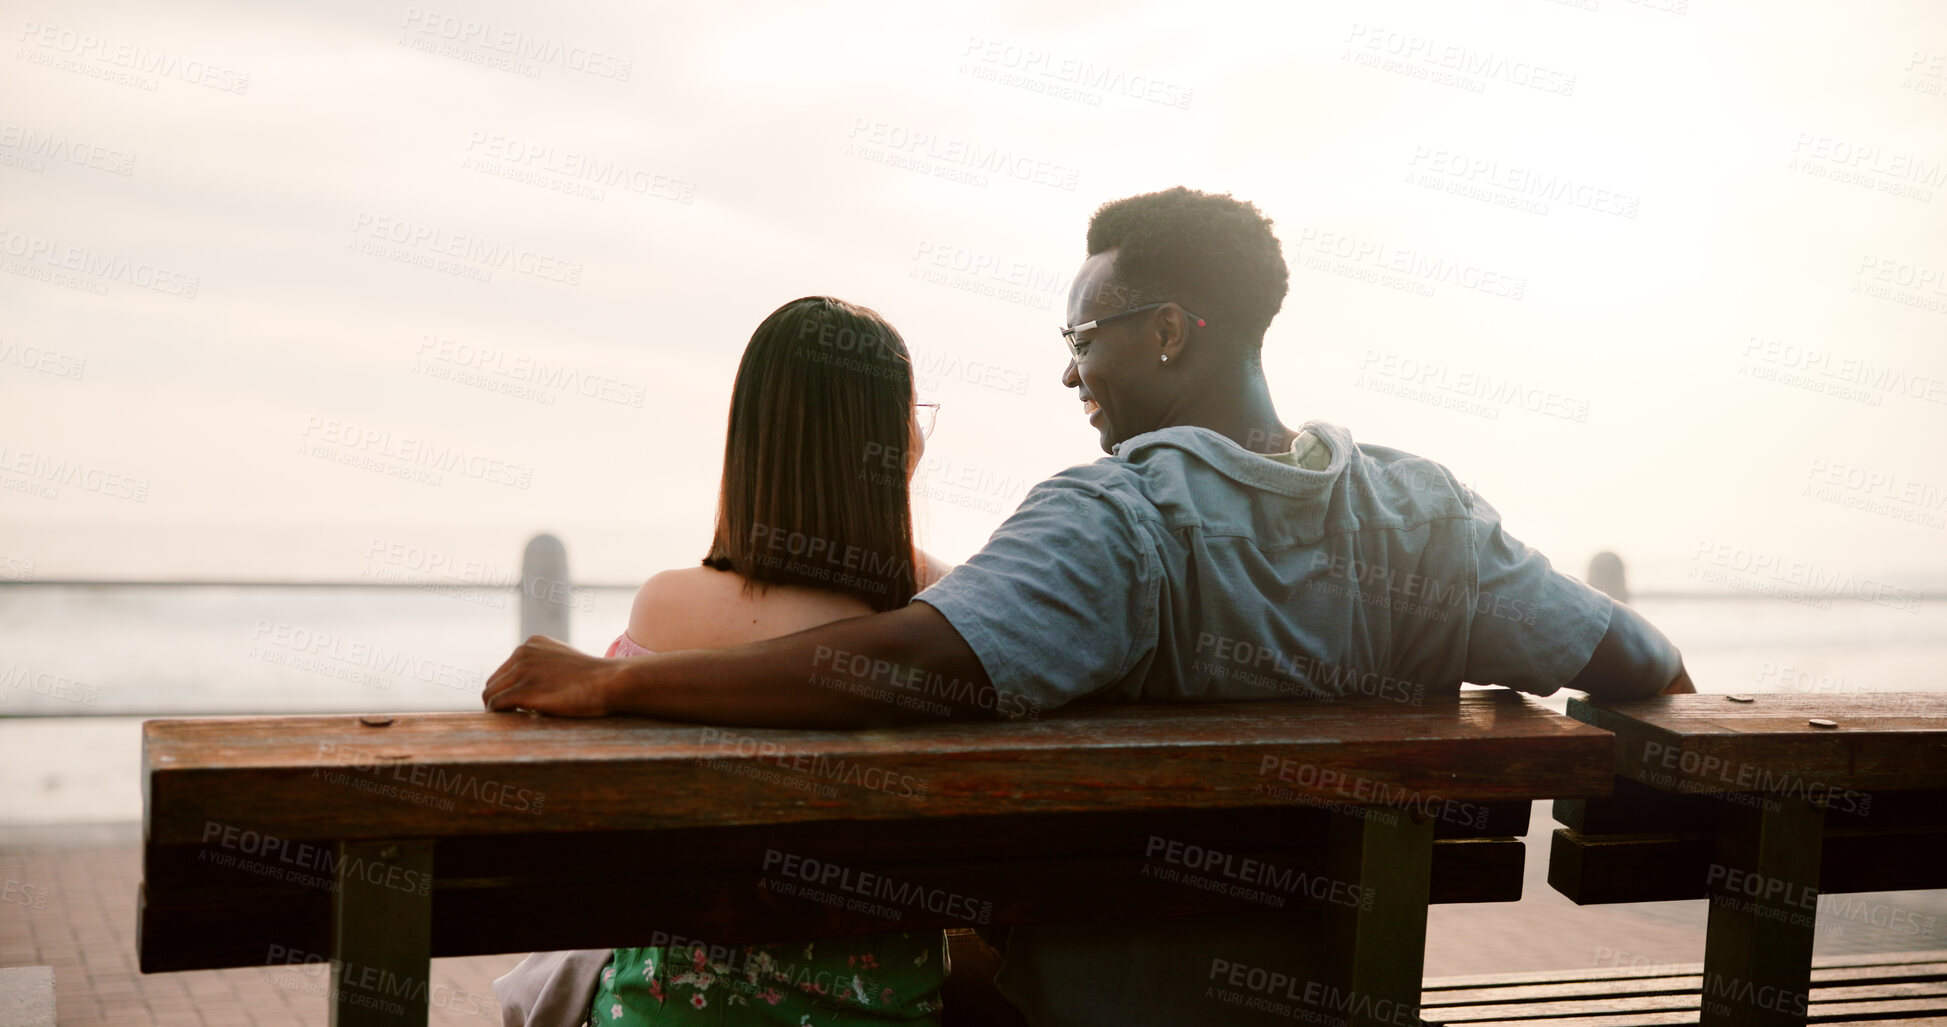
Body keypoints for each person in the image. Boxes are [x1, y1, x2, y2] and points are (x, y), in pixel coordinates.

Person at [484, 188, 1694, 1026]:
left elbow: (908, 660)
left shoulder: (1115, 520)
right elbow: (1636, 656)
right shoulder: (1428, 516)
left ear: (1167, 333)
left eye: (1083, 335)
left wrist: (617, 680)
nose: (1068, 370)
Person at [497, 296, 955, 1026]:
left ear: (752, 440)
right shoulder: (939, 610)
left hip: (669, 1007)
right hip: (878, 1010)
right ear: (889, 438)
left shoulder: (663, 610)